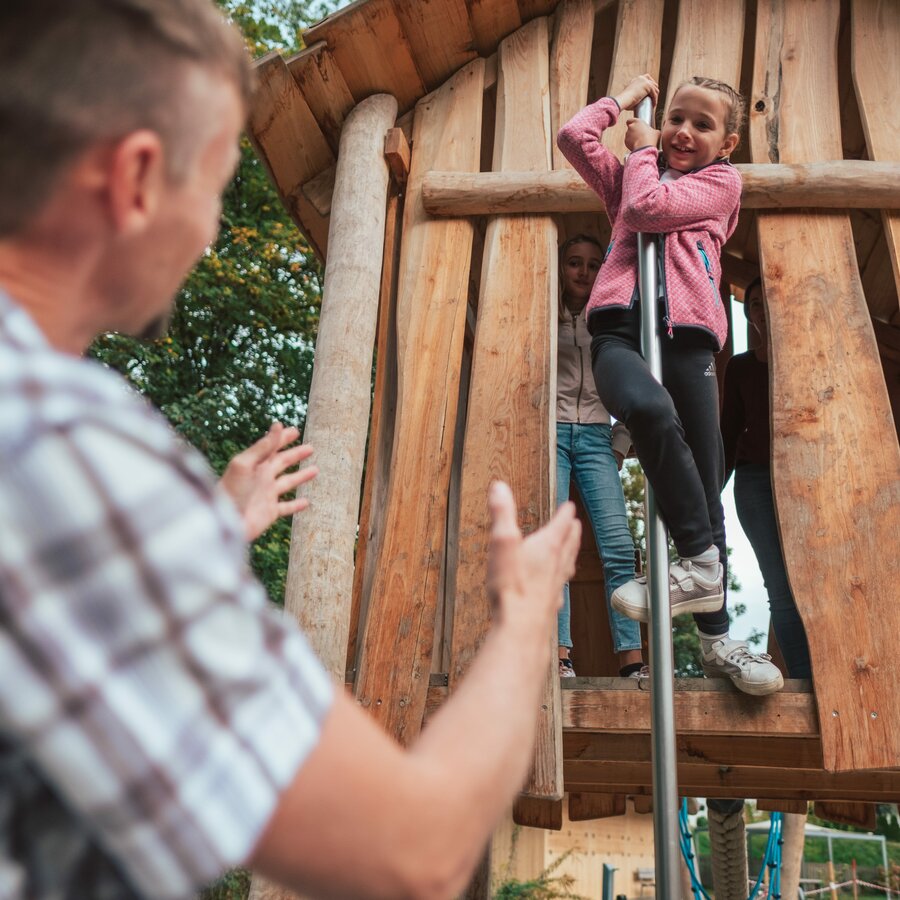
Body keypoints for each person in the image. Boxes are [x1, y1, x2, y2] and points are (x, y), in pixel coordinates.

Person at [0, 2, 583, 898]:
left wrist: (196, 544)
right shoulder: (65, 441)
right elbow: (413, 853)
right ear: (138, 178)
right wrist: (525, 618)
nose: (209, 231)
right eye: (217, 183)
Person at [557, 73, 783, 696]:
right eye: (675, 117)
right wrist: (624, 100)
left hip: (688, 341)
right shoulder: (638, 169)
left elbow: (649, 208)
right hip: (621, 336)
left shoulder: (720, 183)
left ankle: (716, 640)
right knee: (649, 413)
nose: (683, 131)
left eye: (702, 125)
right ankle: (705, 572)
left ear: (728, 142)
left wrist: (644, 150)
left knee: (704, 486)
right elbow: (574, 137)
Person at [555, 233, 646, 679]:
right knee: (554, 544)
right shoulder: (541, 315)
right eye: (574, 262)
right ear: (561, 267)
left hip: (595, 434)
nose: (583, 272)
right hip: (549, 432)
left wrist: (619, 443)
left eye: (593, 265)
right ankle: (560, 656)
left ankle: (631, 660)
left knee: (618, 548)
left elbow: (636, 382)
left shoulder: (609, 320)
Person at [721, 277, 812, 678]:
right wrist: (709, 497)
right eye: (754, 304)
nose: (761, 309)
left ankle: (833, 672)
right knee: (781, 590)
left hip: (805, 481)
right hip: (755, 482)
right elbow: (728, 434)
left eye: (766, 301)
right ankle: (806, 680)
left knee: (813, 582)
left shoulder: (807, 359)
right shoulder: (740, 367)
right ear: (749, 315)